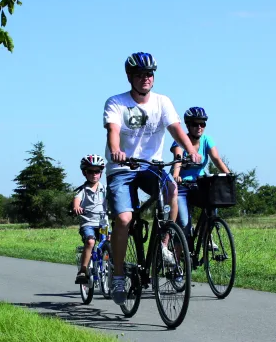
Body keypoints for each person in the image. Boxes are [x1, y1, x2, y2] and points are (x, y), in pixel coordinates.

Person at [103, 51, 202, 305]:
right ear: (129, 77)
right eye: (140, 75)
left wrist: (191, 150)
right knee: (125, 218)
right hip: (122, 170)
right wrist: (116, 151)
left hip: (151, 167)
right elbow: (113, 131)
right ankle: (117, 274)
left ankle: (166, 243)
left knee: (172, 188)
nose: (146, 79)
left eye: (149, 74)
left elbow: (175, 129)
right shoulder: (116, 102)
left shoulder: (162, 102)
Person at [170, 107, 231, 245]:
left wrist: (228, 176)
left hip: (200, 183)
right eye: (195, 124)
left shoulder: (207, 140)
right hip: (182, 186)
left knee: (213, 203)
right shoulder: (180, 141)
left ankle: (206, 237)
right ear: (187, 125)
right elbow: (178, 159)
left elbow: (216, 159)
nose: (199, 127)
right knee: (184, 224)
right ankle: (178, 261)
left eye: (202, 124)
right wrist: (176, 175)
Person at [72, 154, 108, 285]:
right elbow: (77, 200)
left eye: (97, 171)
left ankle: (110, 267)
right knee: (91, 242)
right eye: (90, 171)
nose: (94, 174)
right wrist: (76, 207)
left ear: (101, 173)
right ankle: (83, 270)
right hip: (88, 223)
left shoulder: (105, 189)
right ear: (84, 173)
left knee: (109, 242)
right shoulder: (83, 190)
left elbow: (113, 199)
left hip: (103, 223)